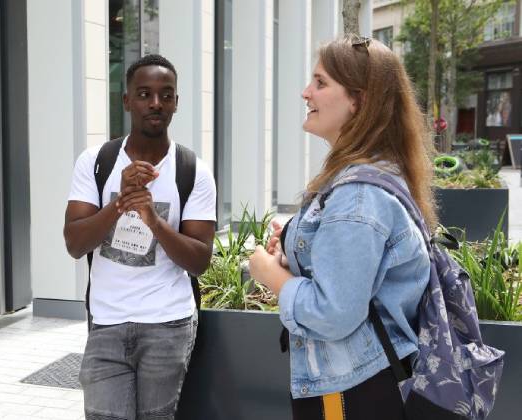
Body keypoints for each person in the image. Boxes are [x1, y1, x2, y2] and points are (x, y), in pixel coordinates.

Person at [249, 35, 436, 420]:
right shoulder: (372, 176)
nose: (306, 92)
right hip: (363, 382)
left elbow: (333, 313)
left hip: (351, 391)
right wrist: (295, 251)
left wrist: (270, 275)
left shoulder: (358, 195)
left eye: (320, 83)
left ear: (359, 100)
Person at [64, 54, 217, 420]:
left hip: (168, 325)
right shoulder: (96, 161)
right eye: (144, 93)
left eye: (166, 95)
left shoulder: (192, 170)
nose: (155, 103)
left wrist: (153, 219)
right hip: (106, 322)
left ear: (176, 103)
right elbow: (74, 243)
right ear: (127, 100)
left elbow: (200, 259)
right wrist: (118, 203)